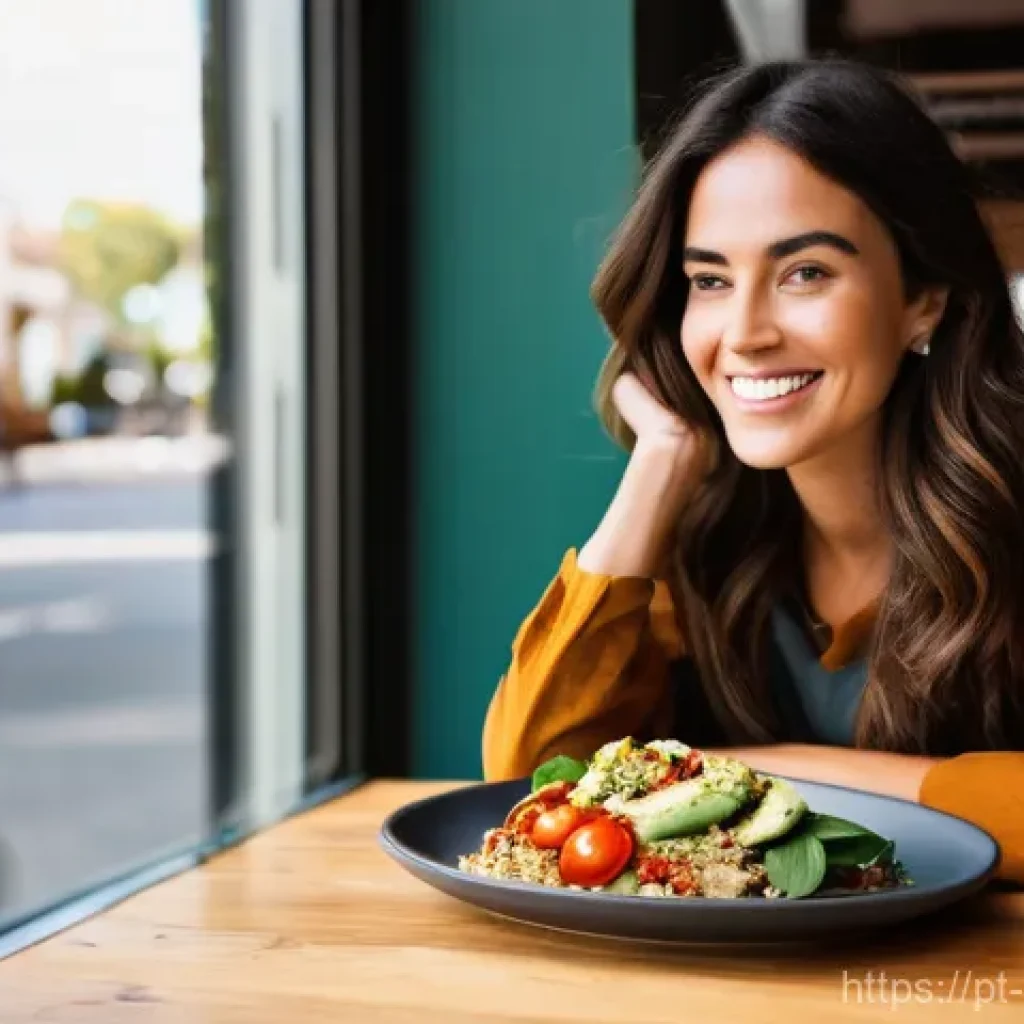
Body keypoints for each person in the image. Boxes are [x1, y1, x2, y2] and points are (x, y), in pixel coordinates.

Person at [481, 58, 1024, 884]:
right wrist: (659, 465)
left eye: (805, 272)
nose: (744, 332)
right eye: (709, 279)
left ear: (925, 298)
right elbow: (539, 783)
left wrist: (748, 768)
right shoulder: (708, 537)